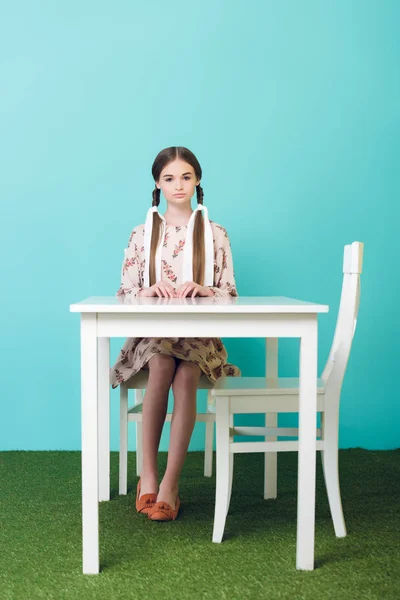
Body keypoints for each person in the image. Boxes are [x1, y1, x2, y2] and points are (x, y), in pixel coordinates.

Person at [110, 146, 241, 521]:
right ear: (158, 184)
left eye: (186, 177)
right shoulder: (142, 234)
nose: (178, 185)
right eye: (169, 178)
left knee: (186, 375)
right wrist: (147, 291)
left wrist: (206, 290)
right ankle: (147, 475)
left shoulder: (215, 234)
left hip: (198, 336)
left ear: (197, 180)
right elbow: (124, 292)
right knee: (163, 362)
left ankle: (170, 482)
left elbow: (229, 291)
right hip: (151, 336)